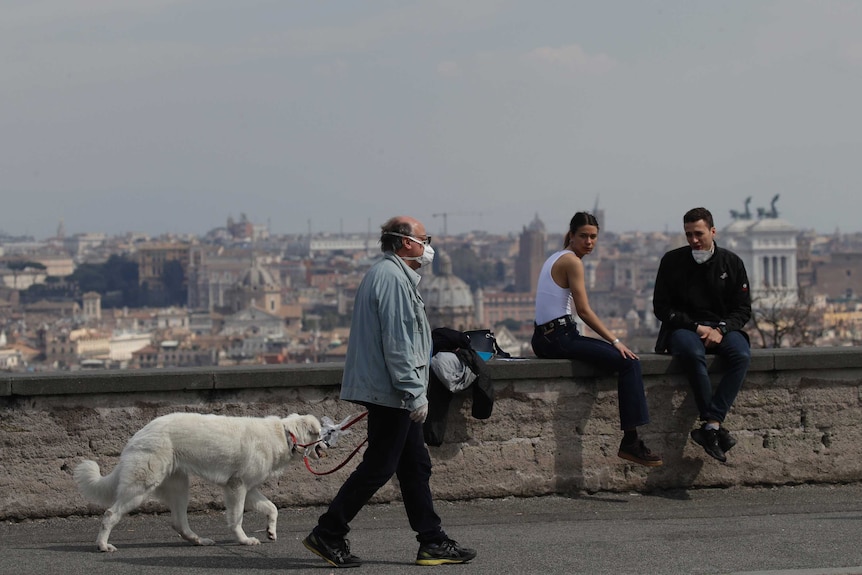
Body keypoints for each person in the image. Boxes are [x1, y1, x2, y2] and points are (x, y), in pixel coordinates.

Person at [303, 216, 476, 568]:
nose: (428, 244)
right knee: (379, 466)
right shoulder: (394, 280)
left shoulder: (388, 274)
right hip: (394, 391)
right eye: (423, 238)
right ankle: (329, 532)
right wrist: (415, 393)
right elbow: (399, 346)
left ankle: (431, 540)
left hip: (390, 388)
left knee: (414, 465)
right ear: (405, 243)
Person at [531, 211, 663, 467]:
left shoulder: (556, 257)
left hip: (545, 337)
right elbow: (584, 311)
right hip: (558, 336)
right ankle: (631, 442)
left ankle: (631, 442)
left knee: (615, 358)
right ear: (571, 235)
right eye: (584, 236)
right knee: (629, 362)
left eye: (593, 237)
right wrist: (615, 341)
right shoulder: (572, 261)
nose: (589, 242)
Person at [653, 207, 752, 463]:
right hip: (685, 329)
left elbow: (743, 309)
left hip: (721, 328)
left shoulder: (731, 263)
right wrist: (697, 328)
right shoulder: (672, 261)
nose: (694, 240)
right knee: (692, 353)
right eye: (688, 235)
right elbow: (662, 308)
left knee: (741, 354)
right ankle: (713, 425)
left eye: (698, 233)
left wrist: (721, 329)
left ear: (712, 231)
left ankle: (711, 424)